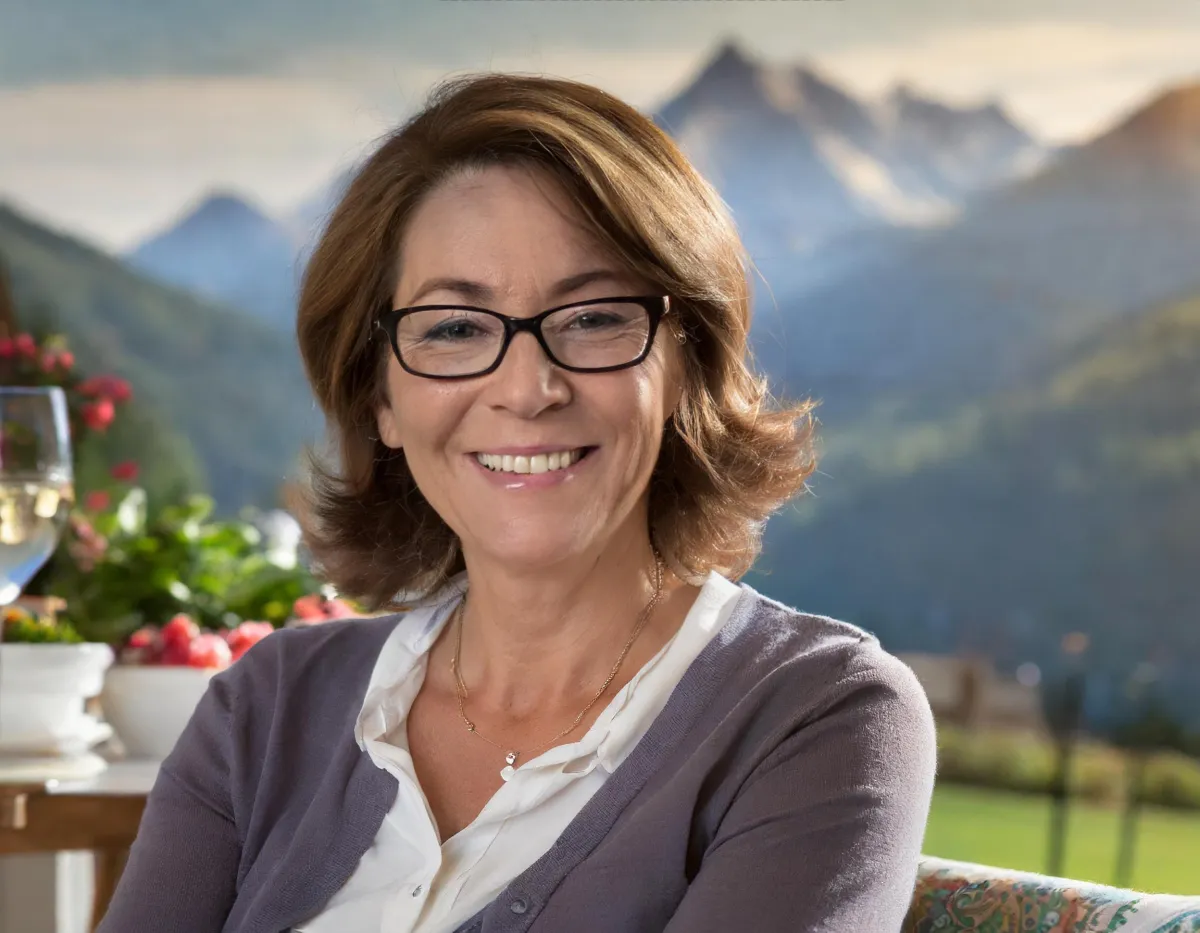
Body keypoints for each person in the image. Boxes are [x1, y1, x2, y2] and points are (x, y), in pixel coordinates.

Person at [98, 72, 936, 933]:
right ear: (380, 398)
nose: (528, 388)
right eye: (455, 328)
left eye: (593, 318)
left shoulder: (817, 716)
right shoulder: (265, 711)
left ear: (684, 363)